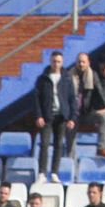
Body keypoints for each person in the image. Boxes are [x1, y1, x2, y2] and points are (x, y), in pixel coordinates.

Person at [33, 51, 77, 180]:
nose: (56, 64)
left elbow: (71, 99)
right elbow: (37, 99)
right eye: (54, 61)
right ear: (50, 62)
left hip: (61, 116)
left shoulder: (67, 78)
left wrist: (71, 118)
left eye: (58, 62)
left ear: (62, 62)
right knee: (45, 144)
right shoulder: (42, 79)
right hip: (47, 116)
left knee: (59, 145)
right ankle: (42, 173)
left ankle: (54, 173)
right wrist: (38, 116)